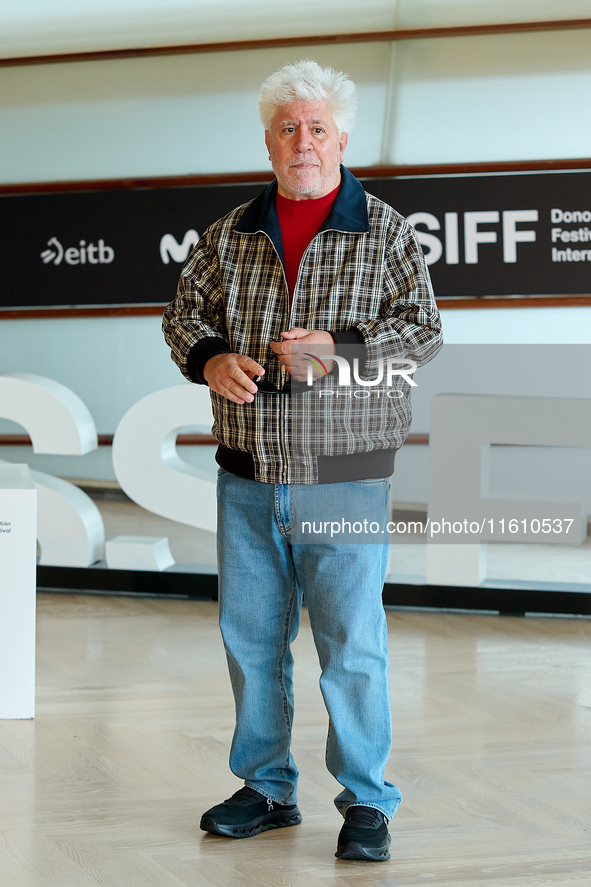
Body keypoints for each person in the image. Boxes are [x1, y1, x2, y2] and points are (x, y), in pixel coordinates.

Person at [163, 59, 442, 862]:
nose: (303, 141)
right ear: (268, 141)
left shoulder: (384, 229)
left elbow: (422, 332)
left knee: (350, 644)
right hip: (247, 478)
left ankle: (365, 800)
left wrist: (338, 349)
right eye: (288, 128)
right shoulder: (228, 235)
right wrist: (211, 357)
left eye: (317, 127)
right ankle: (265, 786)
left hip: (345, 476)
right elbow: (182, 316)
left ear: (342, 138)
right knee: (251, 641)